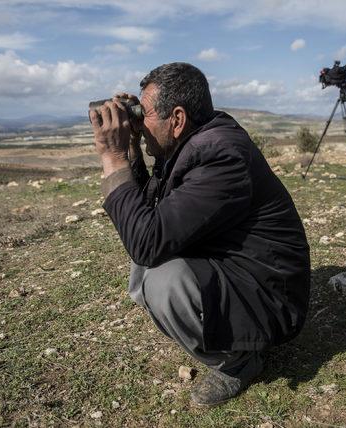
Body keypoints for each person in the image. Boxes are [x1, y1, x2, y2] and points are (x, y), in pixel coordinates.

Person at [89, 62, 310, 407]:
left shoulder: (219, 155)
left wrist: (112, 158)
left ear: (176, 119)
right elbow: (152, 212)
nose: (137, 122)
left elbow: (146, 240)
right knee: (149, 260)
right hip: (237, 266)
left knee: (163, 278)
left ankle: (238, 362)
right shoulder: (190, 142)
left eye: (143, 115)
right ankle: (225, 338)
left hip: (269, 298)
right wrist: (132, 146)